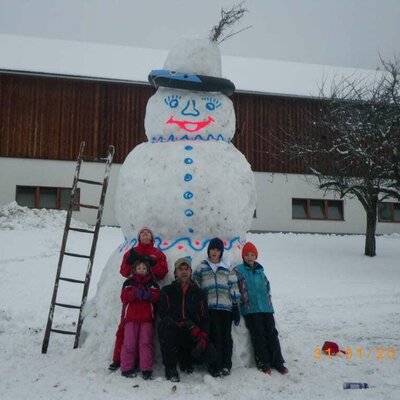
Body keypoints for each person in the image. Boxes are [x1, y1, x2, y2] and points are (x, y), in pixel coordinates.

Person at [109, 227, 168, 371]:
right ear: (139, 237)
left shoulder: (158, 253)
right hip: (133, 293)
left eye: (148, 232)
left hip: (148, 295)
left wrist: (153, 266)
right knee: (125, 329)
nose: (145, 234)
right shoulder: (132, 252)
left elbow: (162, 273)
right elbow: (124, 271)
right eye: (142, 233)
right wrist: (130, 261)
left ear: (152, 238)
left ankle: (143, 363)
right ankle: (119, 359)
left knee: (145, 334)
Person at [158, 257, 216, 383]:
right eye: (180, 269)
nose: (183, 272)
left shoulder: (198, 293)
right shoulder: (167, 291)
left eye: (186, 269)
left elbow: (205, 317)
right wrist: (179, 322)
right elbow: (162, 313)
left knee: (210, 353)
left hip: (190, 332)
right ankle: (170, 367)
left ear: (190, 272)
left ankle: (187, 361)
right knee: (166, 325)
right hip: (173, 330)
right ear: (175, 273)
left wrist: (203, 336)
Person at [234, 242, 288, 375]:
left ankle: (278, 362)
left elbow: (267, 286)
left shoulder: (260, 271)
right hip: (251, 309)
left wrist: (268, 300)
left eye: (252, 254)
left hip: (266, 307)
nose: (250, 257)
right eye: (247, 254)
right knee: (259, 336)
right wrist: (243, 301)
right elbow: (235, 288)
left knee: (272, 334)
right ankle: (263, 363)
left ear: (256, 256)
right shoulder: (238, 270)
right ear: (243, 256)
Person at [192, 237, 241, 377]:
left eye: (217, 249)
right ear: (208, 250)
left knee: (226, 338)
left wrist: (236, 305)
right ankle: (215, 365)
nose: (214, 252)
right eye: (212, 249)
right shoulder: (202, 266)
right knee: (214, 337)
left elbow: (233, 286)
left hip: (226, 308)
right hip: (210, 308)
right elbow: (195, 284)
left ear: (221, 252)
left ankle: (226, 365)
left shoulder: (227, 267)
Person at [119, 257, 160, 379]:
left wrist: (149, 294)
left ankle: (146, 368)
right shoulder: (129, 283)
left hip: (146, 319)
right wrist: (134, 293)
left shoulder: (152, 284)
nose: (141, 270)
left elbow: (157, 296)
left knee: (145, 343)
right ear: (134, 269)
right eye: (139, 268)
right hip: (131, 319)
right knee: (129, 343)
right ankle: (126, 367)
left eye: (144, 268)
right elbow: (124, 297)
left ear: (148, 270)